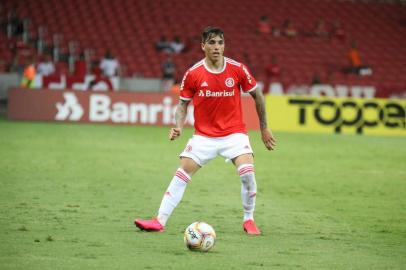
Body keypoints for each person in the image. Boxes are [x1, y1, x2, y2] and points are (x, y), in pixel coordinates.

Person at [134, 26, 276, 235]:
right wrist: (178, 126)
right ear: (203, 46)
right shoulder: (193, 73)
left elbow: (258, 95)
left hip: (234, 134)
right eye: (212, 43)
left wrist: (264, 128)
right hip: (204, 136)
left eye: (220, 42)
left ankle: (249, 220)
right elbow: (183, 104)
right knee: (182, 172)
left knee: (247, 173)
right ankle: (159, 221)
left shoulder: (237, 69)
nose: (217, 47)